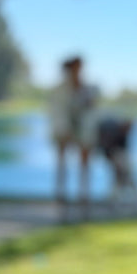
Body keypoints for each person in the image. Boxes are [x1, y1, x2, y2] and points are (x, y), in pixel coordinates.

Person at [49, 56, 99, 205]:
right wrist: (64, 130)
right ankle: (61, 194)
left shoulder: (86, 88)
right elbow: (57, 111)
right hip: (63, 130)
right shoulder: (60, 90)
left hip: (82, 130)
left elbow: (90, 110)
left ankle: (83, 194)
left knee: (84, 162)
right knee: (62, 162)